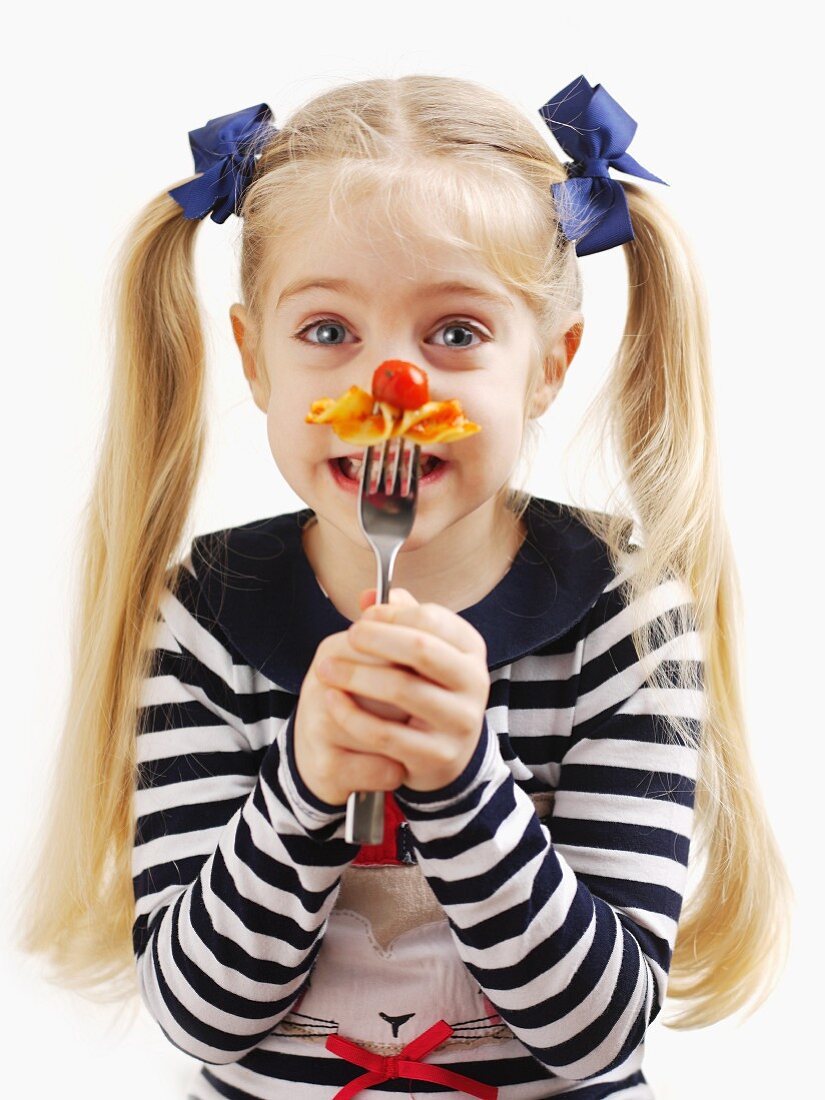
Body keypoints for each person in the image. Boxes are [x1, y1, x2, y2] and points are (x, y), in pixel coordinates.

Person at [15, 74, 793, 1099]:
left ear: (549, 365)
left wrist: (467, 778)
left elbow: (599, 1034)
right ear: (254, 360)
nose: (390, 387)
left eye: (456, 334)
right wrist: (307, 779)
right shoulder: (205, 611)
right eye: (329, 331)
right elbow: (199, 1011)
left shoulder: (626, 613)